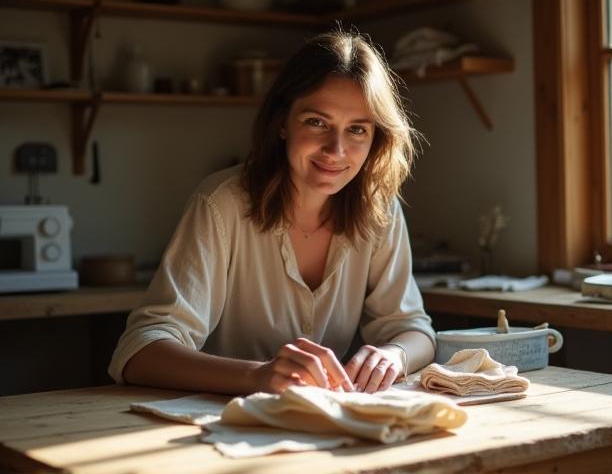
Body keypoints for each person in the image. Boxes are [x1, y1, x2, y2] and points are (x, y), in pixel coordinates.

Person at [108, 28, 436, 396]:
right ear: (282, 122)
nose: (336, 149)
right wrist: (257, 377)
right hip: (217, 423)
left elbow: (413, 330)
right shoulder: (221, 203)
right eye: (317, 122)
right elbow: (139, 352)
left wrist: (394, 354)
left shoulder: (379, 208)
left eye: (357, 129)